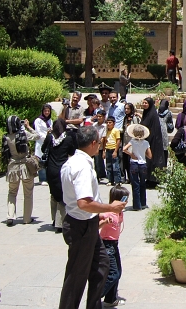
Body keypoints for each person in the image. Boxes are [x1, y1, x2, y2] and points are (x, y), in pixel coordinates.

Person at [59, 126, 126, 309]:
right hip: (80, 225)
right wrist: (110, 207)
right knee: (76, 276)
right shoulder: (81, 167)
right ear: (94, 143)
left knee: (101, 265)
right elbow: (84, 203)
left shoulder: (74, 162)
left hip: (87, 223)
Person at [42, 119, 78, 233]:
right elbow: (72, 152)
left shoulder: (49, 138)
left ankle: (54, 219)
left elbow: (43, 149)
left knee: (53, 194)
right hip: (62, 170)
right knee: (62, 196)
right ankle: (60, 223)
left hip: (50, 170)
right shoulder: (67, 139)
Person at [3, 115, 38, 226]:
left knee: (12, 192)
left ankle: (10, 215)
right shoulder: (23, 134)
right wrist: (28, 126)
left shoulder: (6, 137)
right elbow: (37, 136)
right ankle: (27, 218)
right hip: (25, 166)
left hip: (12, 166)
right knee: (28, 193)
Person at [100, 185, 128, 307]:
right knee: (113, 274)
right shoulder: (109, 213)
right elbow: (98, 220)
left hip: (114, 244)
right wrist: (104, 222)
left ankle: (110, 299)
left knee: (118, 272)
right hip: (106, 245)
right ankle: (95, 296)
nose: (126, 202)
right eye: (124, 199)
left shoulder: (119, 212)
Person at [139, 97, 166, 189]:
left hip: (153, 141)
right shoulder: (146, 113)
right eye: (143, 102)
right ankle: (148, 179)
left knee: (153, 160)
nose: (144, 104)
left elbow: (152, 130)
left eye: (146, 103)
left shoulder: (153, 115)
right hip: (146, 140)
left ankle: (153, 180)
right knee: (148, 161)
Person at [124, 124, 151, 211]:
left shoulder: (132, 142)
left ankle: (136, 205)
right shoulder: (146, 143)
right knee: (142, 184)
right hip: (143, 163)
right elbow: (150, 156)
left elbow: (124, 149)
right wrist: (144, 153)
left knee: (135, 185)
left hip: (134, 163)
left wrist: (132, 155)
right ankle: (143, 203)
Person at [34, 103, 53, 185]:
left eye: (48, 111)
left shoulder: (50, 120)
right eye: (45, 111)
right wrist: (46, 137)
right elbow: (38, 132)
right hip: (41, 142)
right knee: (41, 159)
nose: (47, 112)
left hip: (48, 142)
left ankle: (48, 177)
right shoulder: (38, 120)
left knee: (47, 159)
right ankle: (42, 178)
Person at [103, 116, 122, 186]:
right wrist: (104, 151)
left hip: (113, 149)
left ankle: (118, 181)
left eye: (110, 122)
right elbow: (105, 141)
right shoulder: (106, 131)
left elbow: (118, 141)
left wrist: (115, 151)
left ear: (114, 123)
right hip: (108, 149)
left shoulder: (116, 130)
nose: (108, 124)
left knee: (115, 166)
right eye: (107, 122)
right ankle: (110, 180)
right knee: (108, 166)